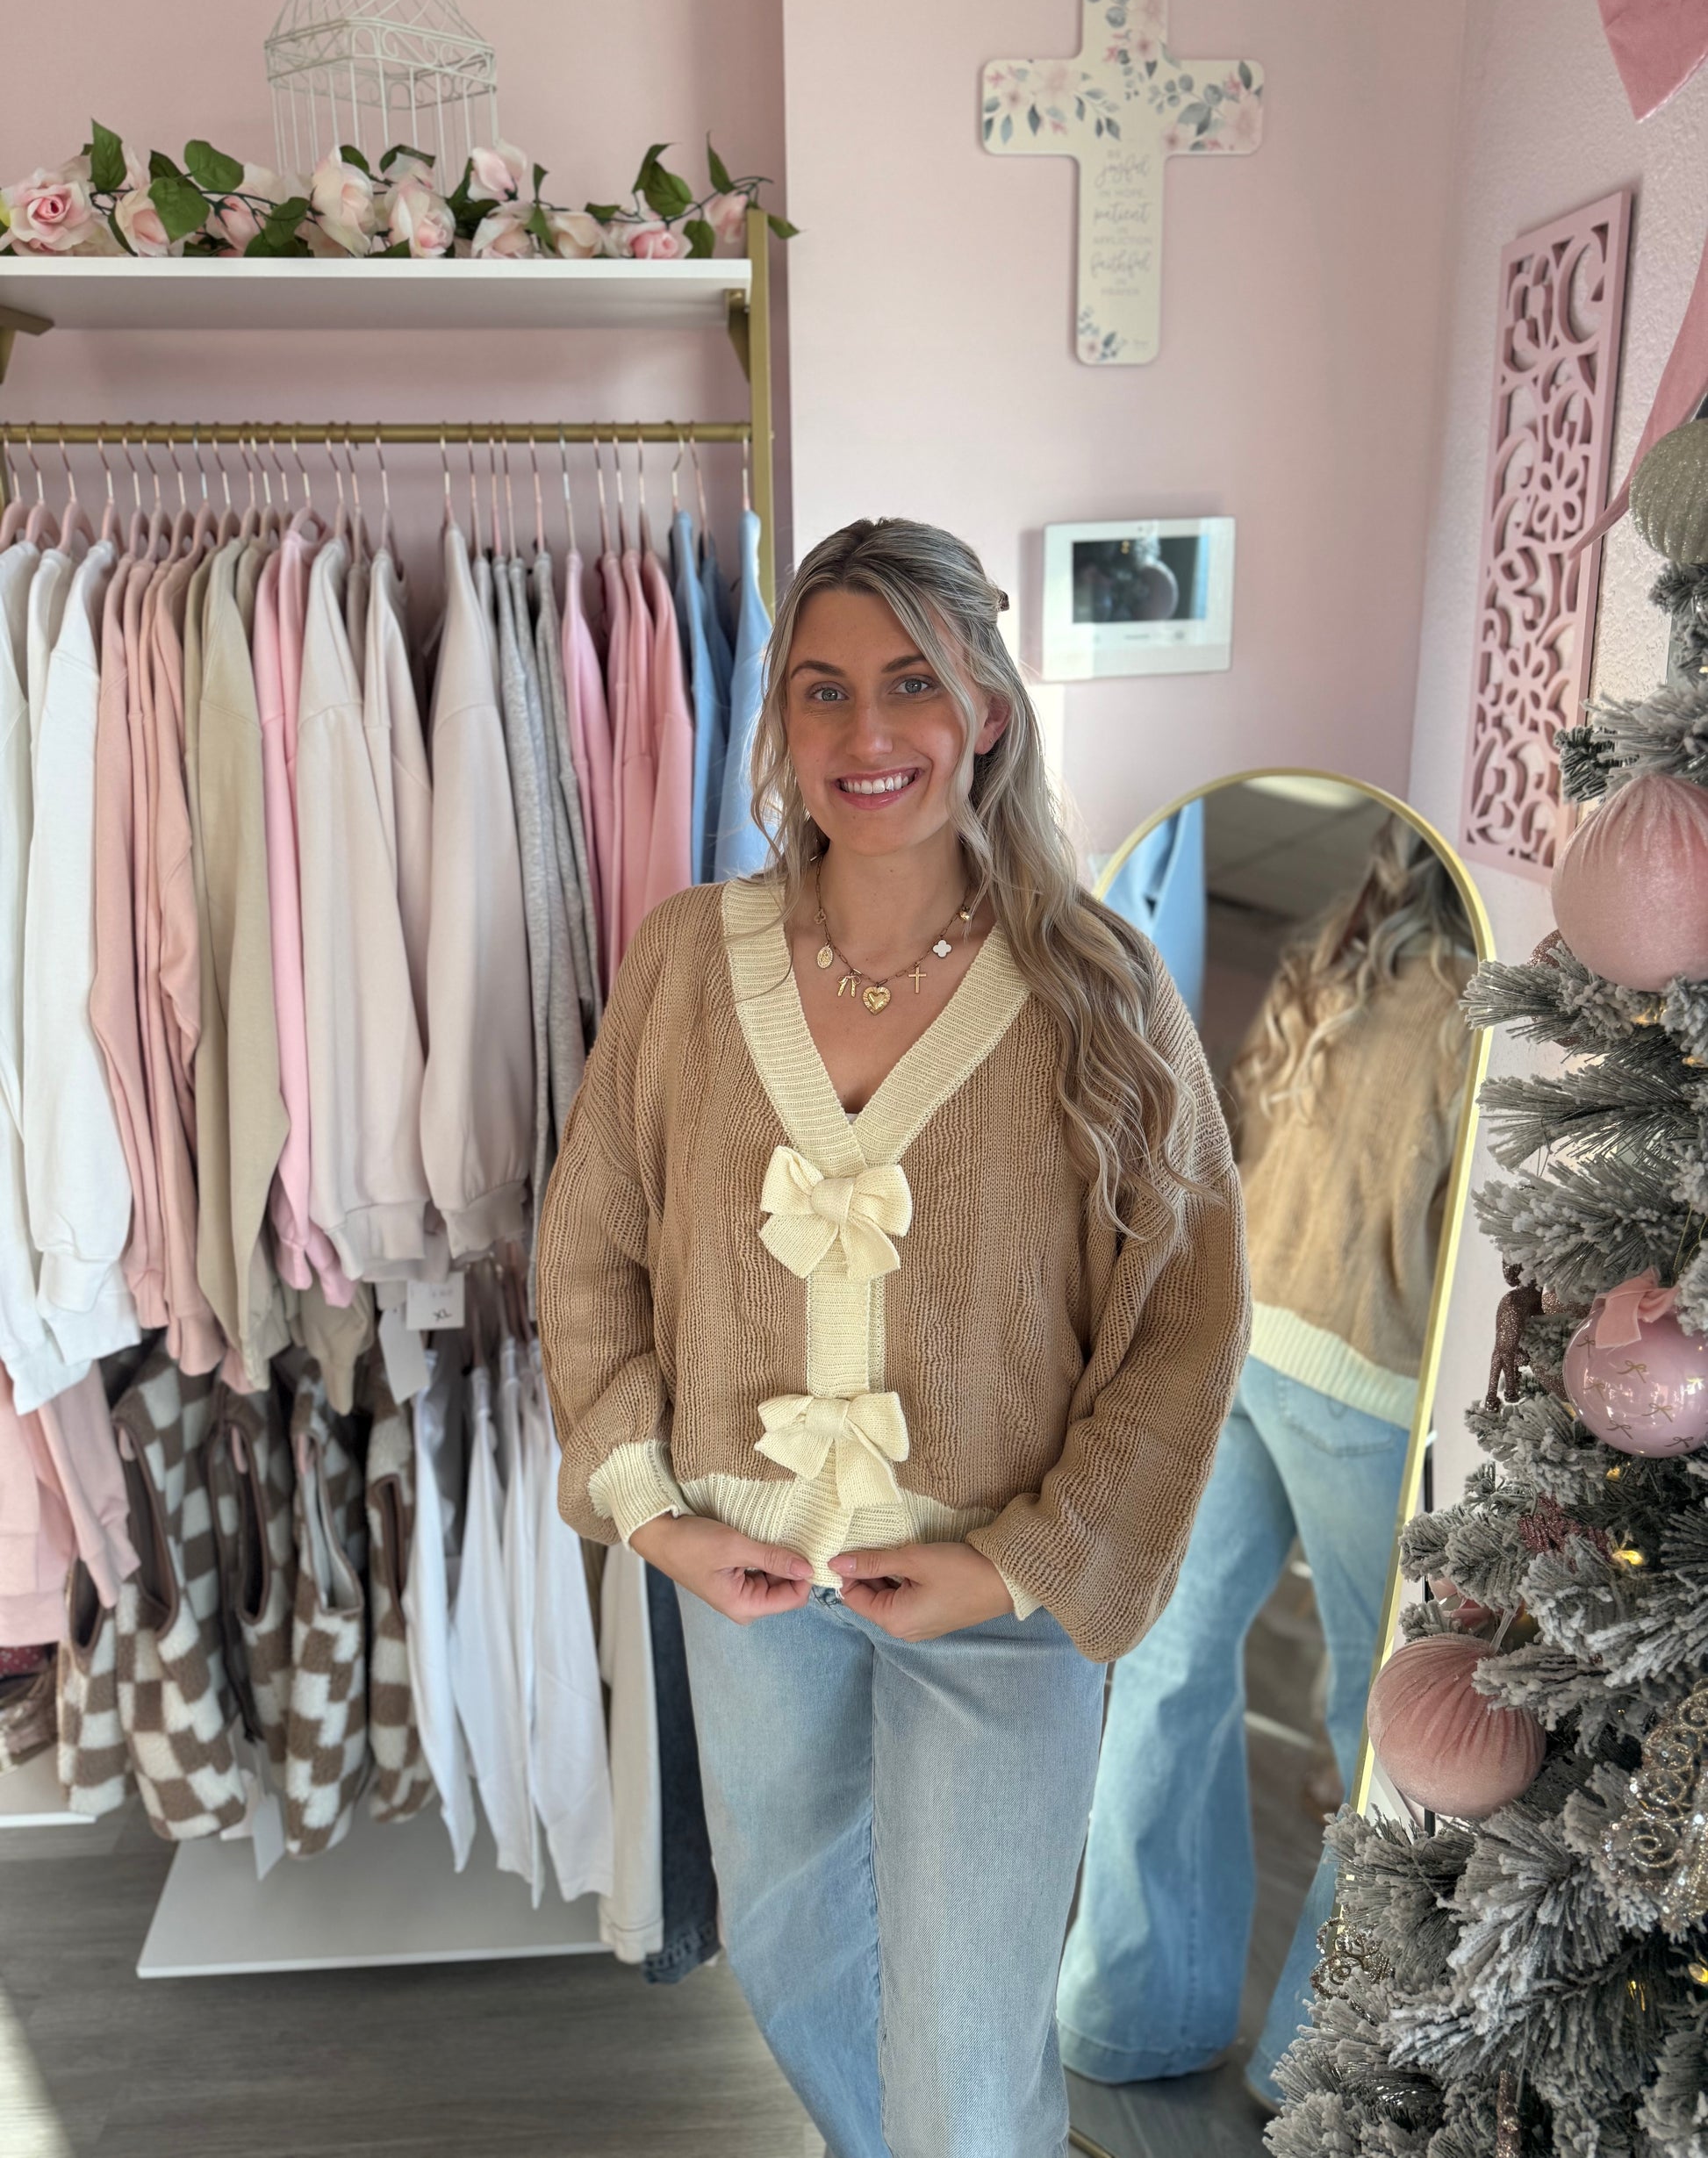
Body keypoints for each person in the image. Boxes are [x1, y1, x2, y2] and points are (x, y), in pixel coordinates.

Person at [537, 516, 1249, 2158]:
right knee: (797, 1973)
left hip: (998, 1599)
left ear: (984, 706)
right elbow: (586, 1255)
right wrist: (655, 1515)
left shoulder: (1100, 989)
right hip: (750, 1587)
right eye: (823, 689)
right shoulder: (685, 964)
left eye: (912, 682)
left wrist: (1025, 1564)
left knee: (963, 2055)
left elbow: (1186, 1318)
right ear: (781, 721)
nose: (868, 732)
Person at [1056, 814, 1475, 2109]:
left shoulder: (1328, 957)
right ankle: (1309, 2062)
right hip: (1362, 1386)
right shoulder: (1482, 1006)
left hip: (1246, 1347)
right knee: (1376, 1722)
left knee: (1168, 1667)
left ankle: (1126, 2015)